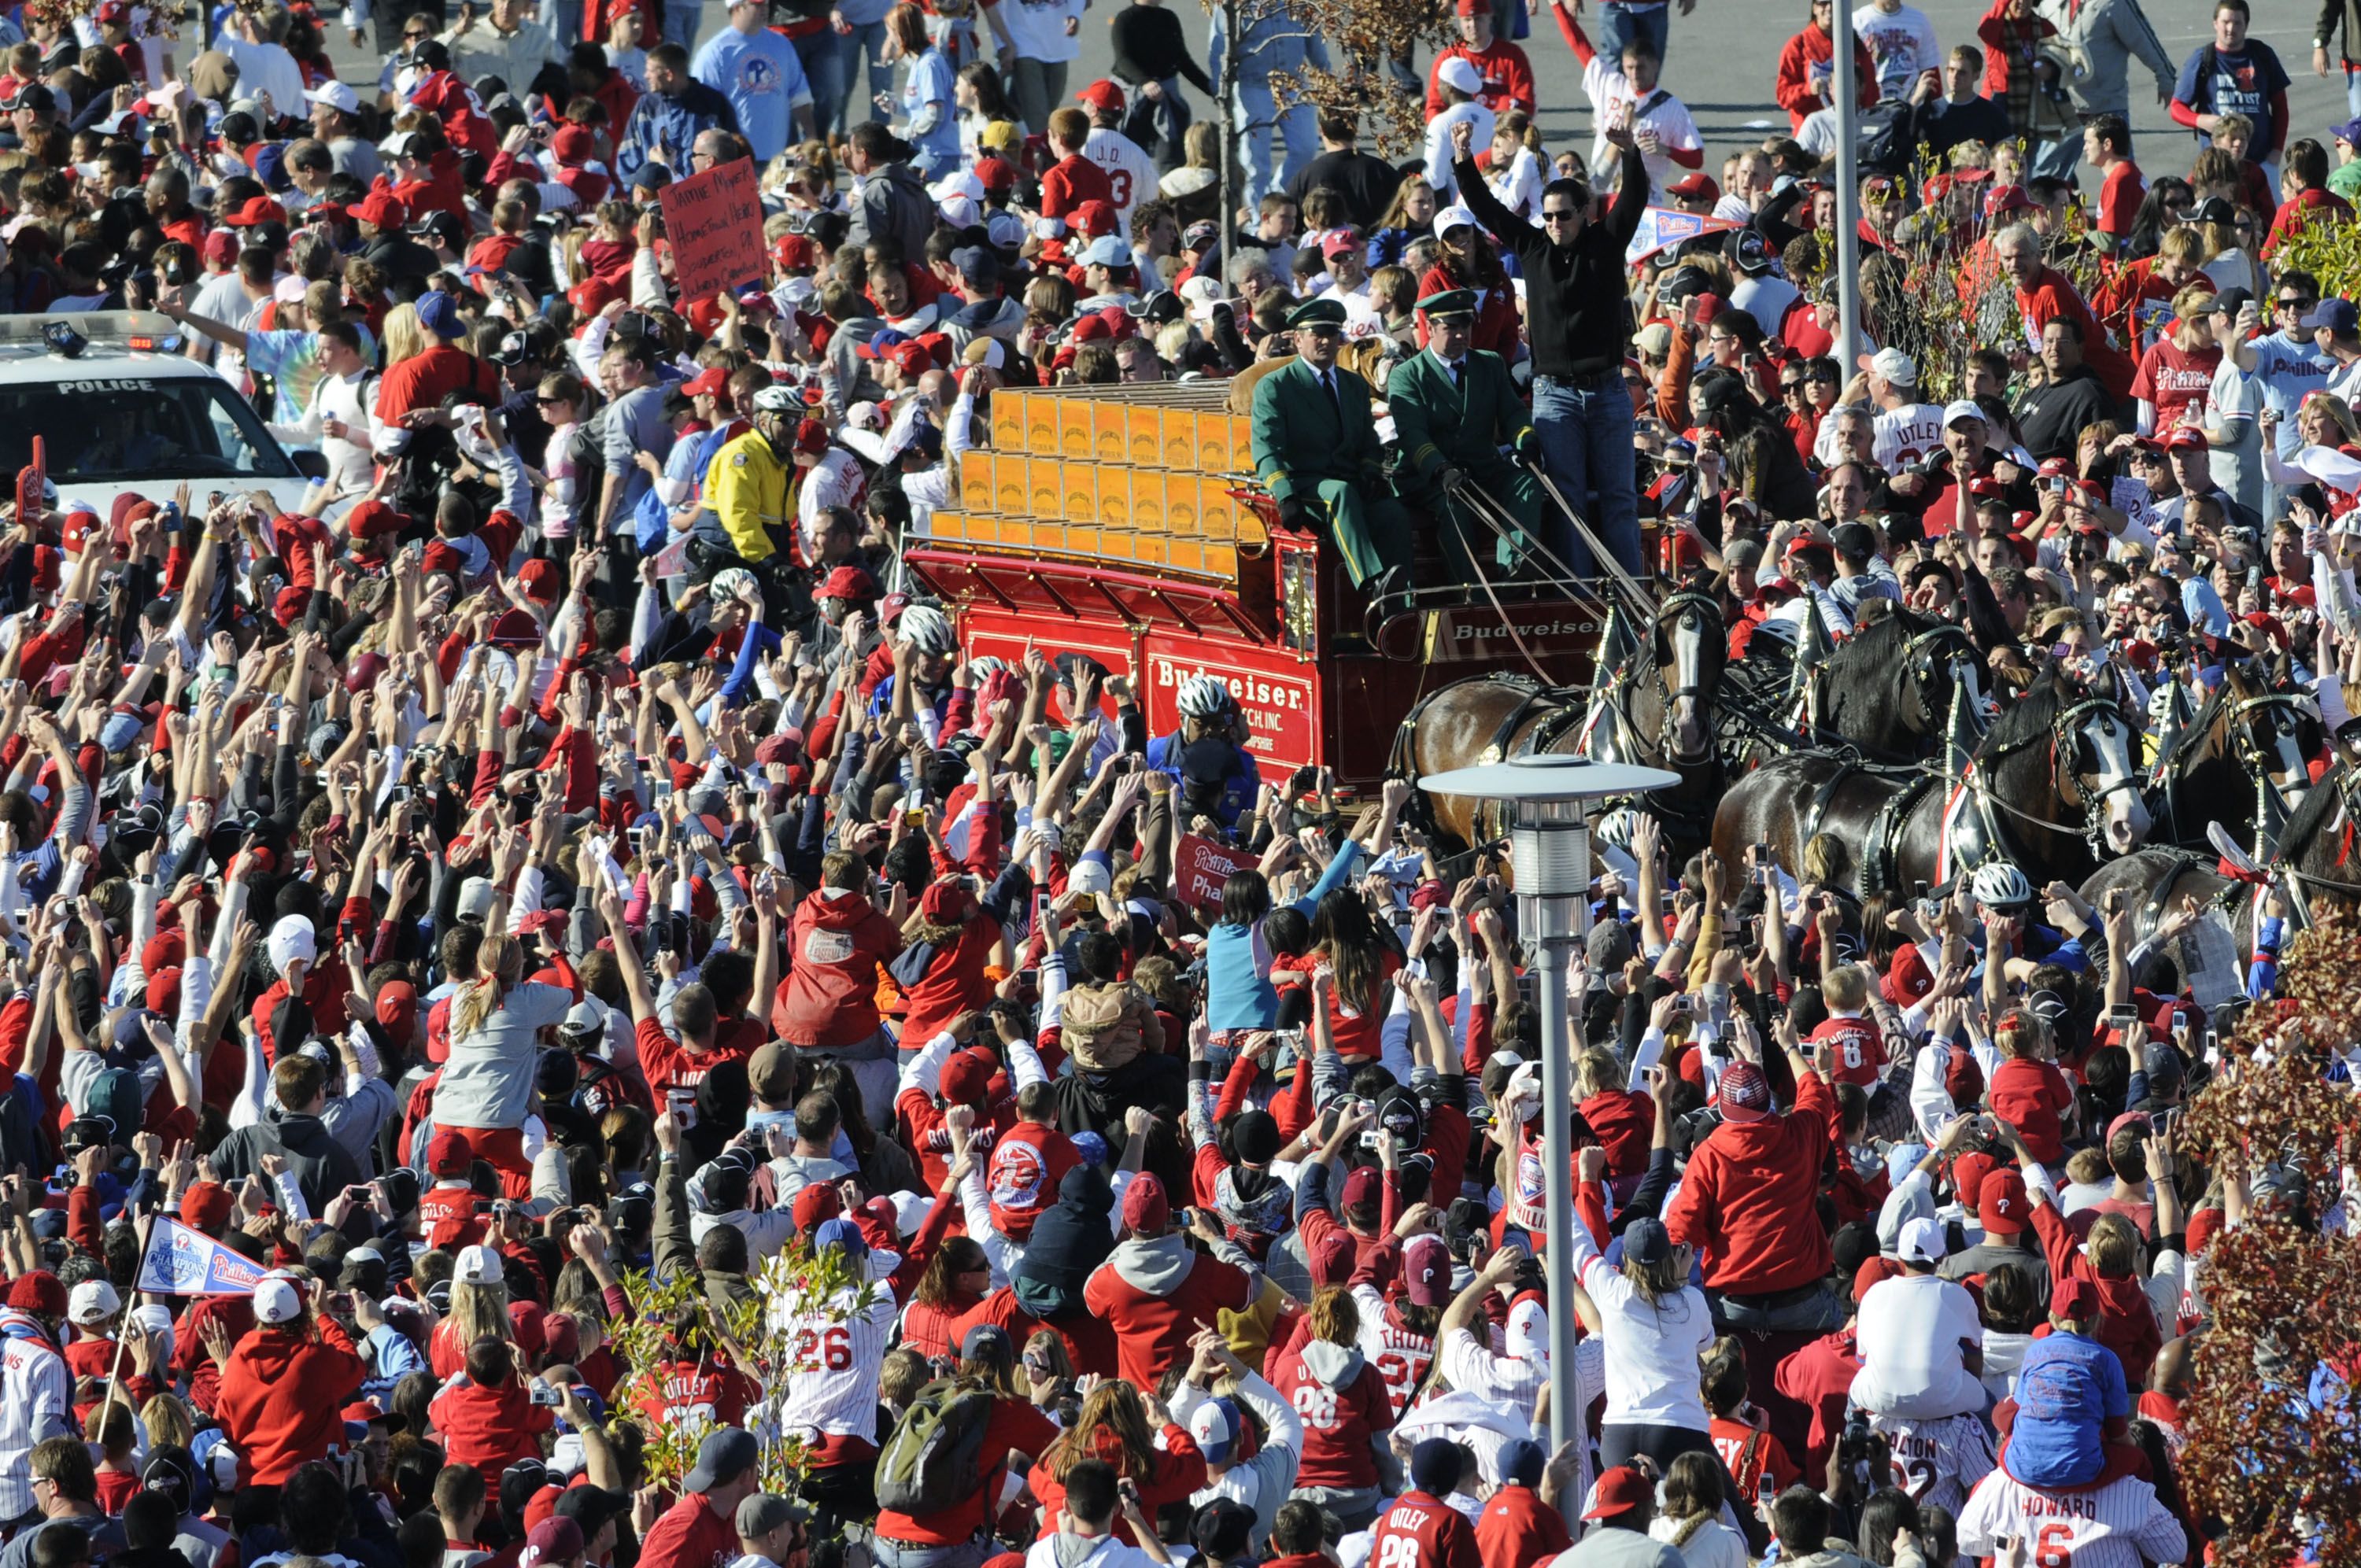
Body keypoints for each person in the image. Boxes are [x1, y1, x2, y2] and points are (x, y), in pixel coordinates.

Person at [1450, 113, 1648, 577]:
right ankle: (1579, 591)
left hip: (1607, 391)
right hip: (1554, 395)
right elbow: (1488, 210)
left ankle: (1630, 590)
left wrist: (1629, 152)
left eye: (1564, 215)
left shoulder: (1606, 244)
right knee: (1568, 499)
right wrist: (1462, 159)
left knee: (1620, 497)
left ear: (1584, 214)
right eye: (1549, 215)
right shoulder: (1533, 246)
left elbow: (1634, 201)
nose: (1555, 223)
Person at [1248, 297, 1415, 600]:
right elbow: (1266, 448)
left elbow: (1368, 441)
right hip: (1306, 482)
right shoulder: (1276, 386)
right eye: (1317, 334)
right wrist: (1284, 494)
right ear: (1298, 340)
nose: (1325, 341)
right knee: (1340, 493)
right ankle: (1373, 583)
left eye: (1332, 334)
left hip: (1349, 479)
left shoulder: (1354, 386)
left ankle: (1402, 597)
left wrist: (1371, 471)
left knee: (1392, 512)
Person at [1387, 288, 1546, 584]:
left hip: (1482, 469)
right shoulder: (1407, 375)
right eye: (1451, 328)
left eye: (1466, 326)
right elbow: (1413, 434)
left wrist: (1527, 441)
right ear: (1431, 328)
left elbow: (1512, 413)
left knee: (1527, 483)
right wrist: (1440, 468)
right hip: (1429, 477)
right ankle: (1470, 591)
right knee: (1454, 506)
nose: (1461, 335)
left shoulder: (1489, 363)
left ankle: (1515, 571)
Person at [691, 0, 817, 161]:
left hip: (779, 159)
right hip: (736, 160)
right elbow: (704, 109)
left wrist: (811, 135)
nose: (765, 9)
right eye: (757, 4)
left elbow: (799, 95)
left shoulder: (781, 44)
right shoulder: (715, 52)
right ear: (737, 7)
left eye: (766, 4)